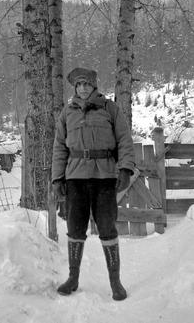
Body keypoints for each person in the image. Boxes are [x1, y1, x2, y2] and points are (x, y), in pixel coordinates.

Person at [52, 67, 135, 300]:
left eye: (87, 84)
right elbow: (59, 146)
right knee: (75, 228)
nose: (83, 88)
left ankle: (115, 282)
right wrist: (57, 177)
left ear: (94, 85)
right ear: (75, 88)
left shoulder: (110, 109)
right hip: (75, 178)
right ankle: (73, 278)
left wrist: (126, 168)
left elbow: (124, 140)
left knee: (108, 229)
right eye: (79, 85)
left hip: (104, 177)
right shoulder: (67, 112)